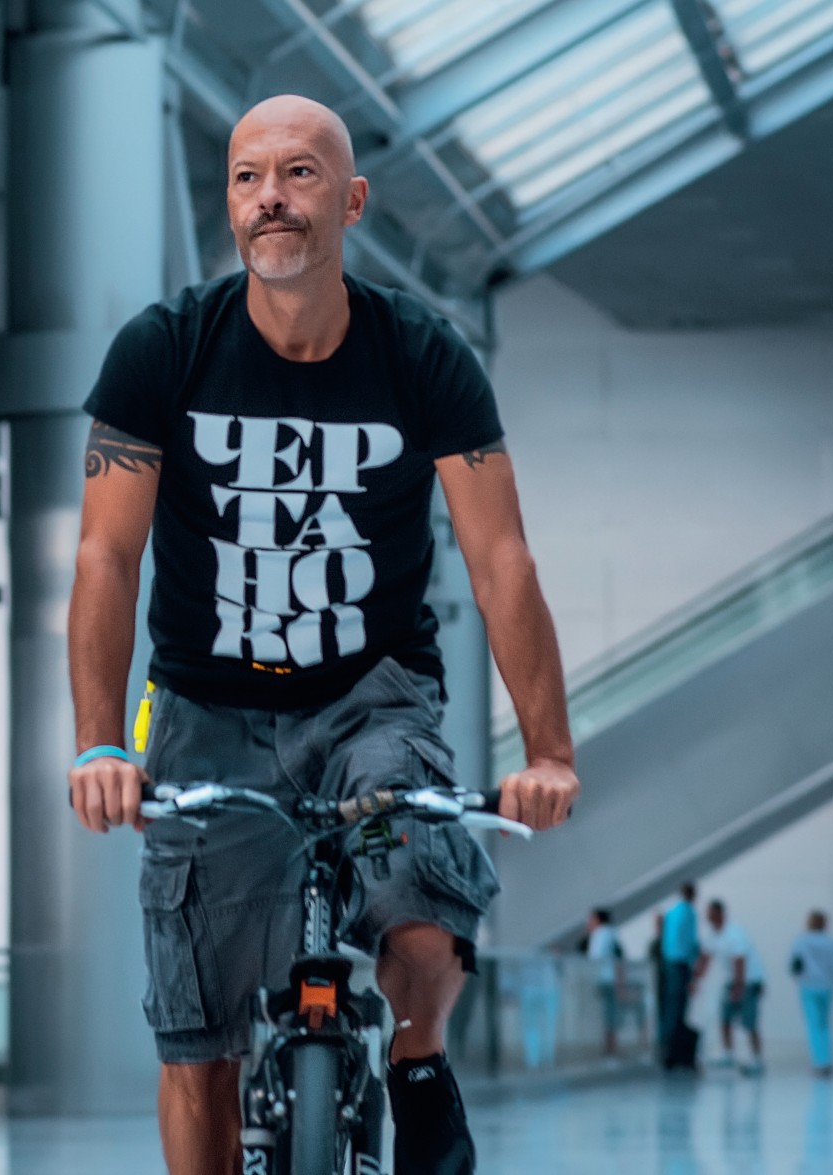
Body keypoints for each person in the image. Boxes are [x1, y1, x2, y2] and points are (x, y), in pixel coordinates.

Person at [66, 94, 578, 1175]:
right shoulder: (163, 350)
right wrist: (102, 741)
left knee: (423, 912)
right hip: (204, 705)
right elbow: (106, 556)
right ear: (228, 203)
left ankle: (417, 1061)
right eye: (247, 177)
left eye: (299, 173)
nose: (271, 198)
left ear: (350, 201)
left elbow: (501, 561)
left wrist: (549, 752)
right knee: (197, 1037)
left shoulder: (422, 355)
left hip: (369, 696)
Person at [699, 898, 766, 1075]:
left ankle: (757, 1059)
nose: (707, 916)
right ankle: (728, 1053)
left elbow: (740, 961)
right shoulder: (713, 935)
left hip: (748, 981)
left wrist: (738, 988)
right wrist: (695, 980)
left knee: (749, 1022)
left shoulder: (735, 933)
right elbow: (705, 958)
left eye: (711, 913)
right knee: (725, 1018)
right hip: (731, 981)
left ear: (720, 913)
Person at [790, 910, 833, 1077]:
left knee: (813, 1025)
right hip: (826, 987)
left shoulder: (802, 941)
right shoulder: (830, 942)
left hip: (809, 986)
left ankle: (819, 1062)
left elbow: (794, 964)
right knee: (824, 1025)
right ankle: (827, 1061)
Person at [659, 883, 701, 1068]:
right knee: (678, 1008)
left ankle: (666, 1048)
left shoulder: (672, 912)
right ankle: (674, 1052)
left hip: (669, 963)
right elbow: (691, 942)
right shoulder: (689, 913)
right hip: (681, 964)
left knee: (670, 1007)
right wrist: (694, 966)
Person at [584, 907, 625, 1057]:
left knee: (607, 1015)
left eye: (591, 919)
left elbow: (595, 959)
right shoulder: (611, 934)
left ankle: (609, 1048)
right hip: (610, 979)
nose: (588, 922)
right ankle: (611, 1047)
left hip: (605, 979)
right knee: (609, 1014)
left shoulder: (600, 935)